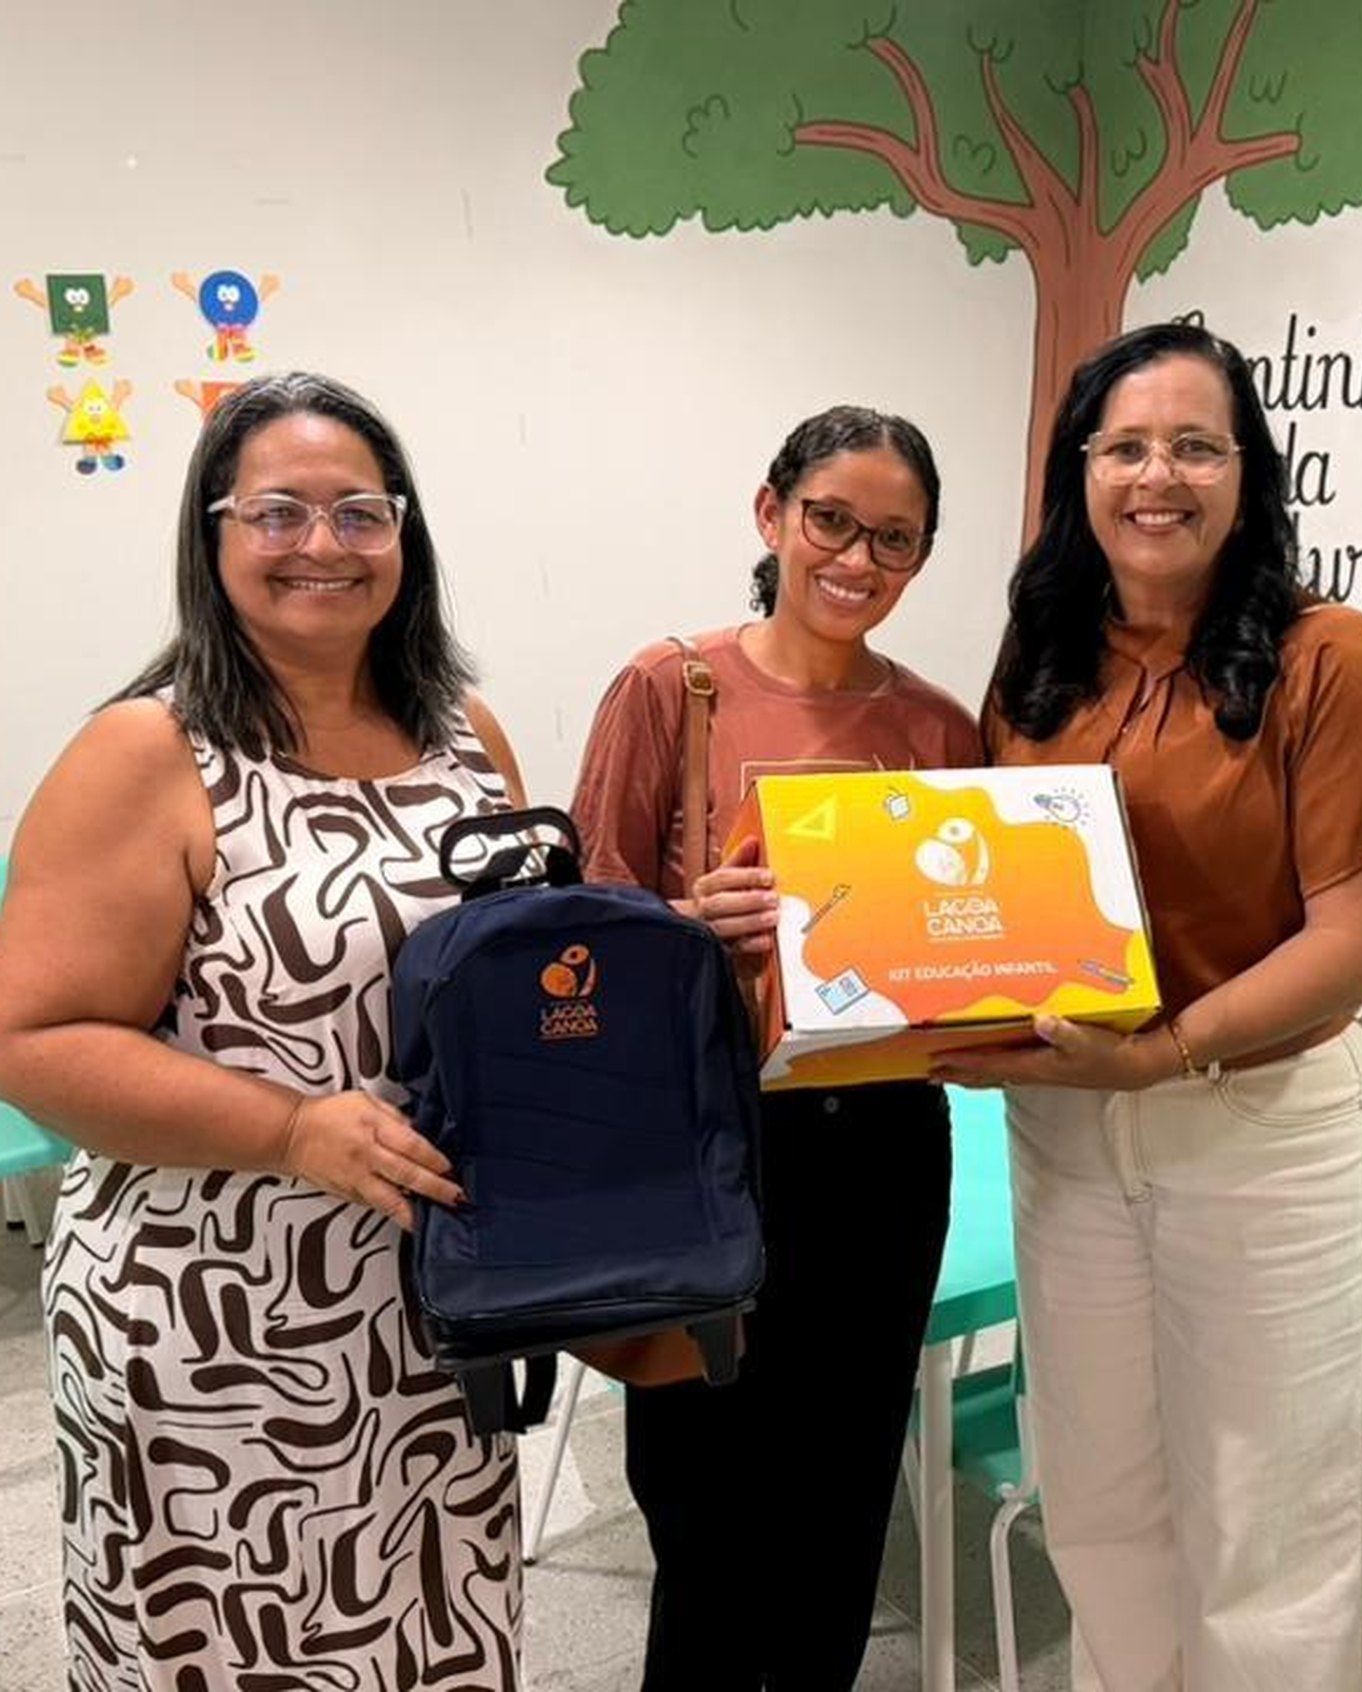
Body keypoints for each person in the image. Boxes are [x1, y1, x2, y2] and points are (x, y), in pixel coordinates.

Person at [0, 373, 531, 1689]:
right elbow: (24, 1039)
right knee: (239, 1648)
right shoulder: (149, 751)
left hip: (431, 1305)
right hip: (217, 1327)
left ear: (404, 534)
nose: (323, 544)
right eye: (278, 512)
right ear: (212, 534)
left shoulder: (464, 735)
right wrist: (288, 1130)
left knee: (427, 1631)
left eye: (360, 512)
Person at [939, 320, 1362, 1690]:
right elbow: (984, 881)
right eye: (1123, 447)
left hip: (1262, 1125)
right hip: (1068, 1134)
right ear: (1078, 473)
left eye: (1193, 446)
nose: (1155, 476)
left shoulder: (1327, 656)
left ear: (1245, 474)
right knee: (1097, 1498)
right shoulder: (1042, 654)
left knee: (1268, 1526)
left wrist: (1162, 1054)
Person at [567, 404, 980, 1690]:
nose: (857, 559)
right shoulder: (668, 687)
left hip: (885, 1139)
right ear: (771, 514)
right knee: (699, 1494)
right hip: (707, 1138)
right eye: (831, 522)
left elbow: (967, 941)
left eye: (894, 539)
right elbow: (578, 932)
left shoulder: (939, 729)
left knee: (845, 1484)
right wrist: (685, 926)